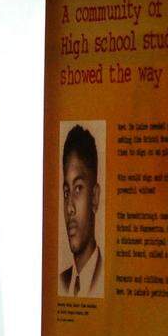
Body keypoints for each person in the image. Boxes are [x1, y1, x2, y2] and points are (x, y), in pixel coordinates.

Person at [58, 125, 104, 298]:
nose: (69, 208)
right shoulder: (61, 281)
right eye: (66, 192)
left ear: (95, 197)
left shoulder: (104, 278)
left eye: (78, 189)